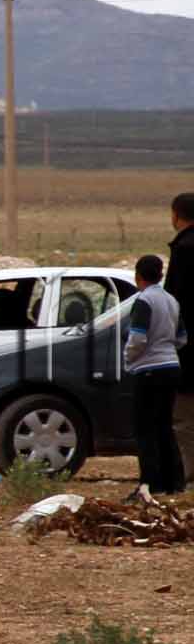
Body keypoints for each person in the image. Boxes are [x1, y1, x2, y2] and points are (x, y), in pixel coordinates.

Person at [124, 252, 185, 496]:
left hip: (149, 369)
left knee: (145, 428)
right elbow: (181, 338)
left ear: (138, 276)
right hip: (172, 366)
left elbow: (137, 338)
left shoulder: (144, 301)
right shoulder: (172, 301)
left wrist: (128, 358)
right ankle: (173, 482)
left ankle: (150, 483)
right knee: (164, 426)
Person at [169, 191, 194, 471]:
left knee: (185, 417)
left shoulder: (184, 250)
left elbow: (177, 302)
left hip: (187, 348)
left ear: (176, 215)